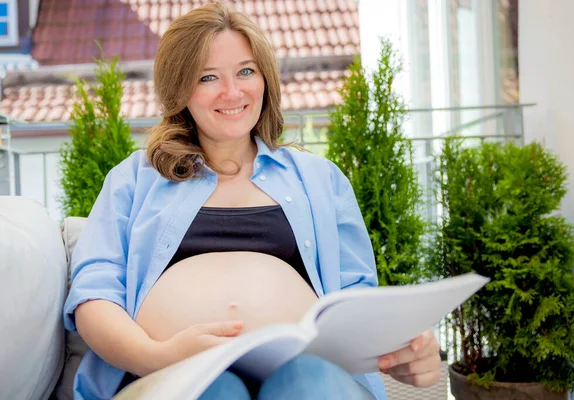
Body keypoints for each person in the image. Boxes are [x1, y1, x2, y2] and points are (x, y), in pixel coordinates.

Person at [63, 3, 442, 400]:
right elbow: (94, 298)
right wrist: (156, 356)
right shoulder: (134, 179)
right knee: (217, 390)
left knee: (309, 383)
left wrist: (408, 351)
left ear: (265, 79)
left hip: (309, 374)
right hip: (166, 376)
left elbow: (357, 304)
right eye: (208, 77)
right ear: (179, 89)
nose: (232, 91)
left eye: (246, 71)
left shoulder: (321, 179)